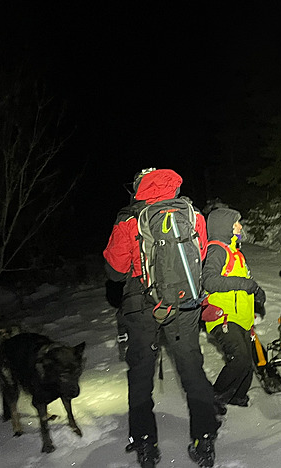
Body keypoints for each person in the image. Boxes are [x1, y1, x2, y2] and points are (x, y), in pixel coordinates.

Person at [103, 168, 219, 468]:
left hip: (142, 307)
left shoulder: (129, 218)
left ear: (138, 187)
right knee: (192, 368)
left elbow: (114, 271)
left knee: (141, 375)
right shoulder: (192, 214)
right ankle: (204, 439)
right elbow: (201, 254)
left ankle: (145, 444)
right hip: (184, 305)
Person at [201, 208, 265, 413]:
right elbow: (209, 280)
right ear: (224, 226)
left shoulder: (235, 252)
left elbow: (243, 282)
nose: (240, 226)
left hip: (241, 318)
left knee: (246, 362)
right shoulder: (216, 250)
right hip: (224, 316)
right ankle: (214, 397)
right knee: (240, 358)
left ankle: (236, 395)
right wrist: (246, 285)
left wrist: (256, 292)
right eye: (236, 223)